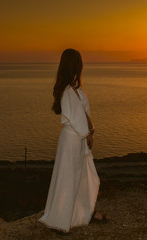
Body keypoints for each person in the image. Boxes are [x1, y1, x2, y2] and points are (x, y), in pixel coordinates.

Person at [39, 49, 100, 233]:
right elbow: (74, 117)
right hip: (73, 138)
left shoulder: (75, 89)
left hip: (77, 137)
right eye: (79, 62)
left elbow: (83, 114)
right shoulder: (67, 90)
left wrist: (90, 130)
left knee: (81, 176)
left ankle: (78, 215)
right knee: (68, 179)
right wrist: (87, 134)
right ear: (73, 65)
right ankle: (60, 222)